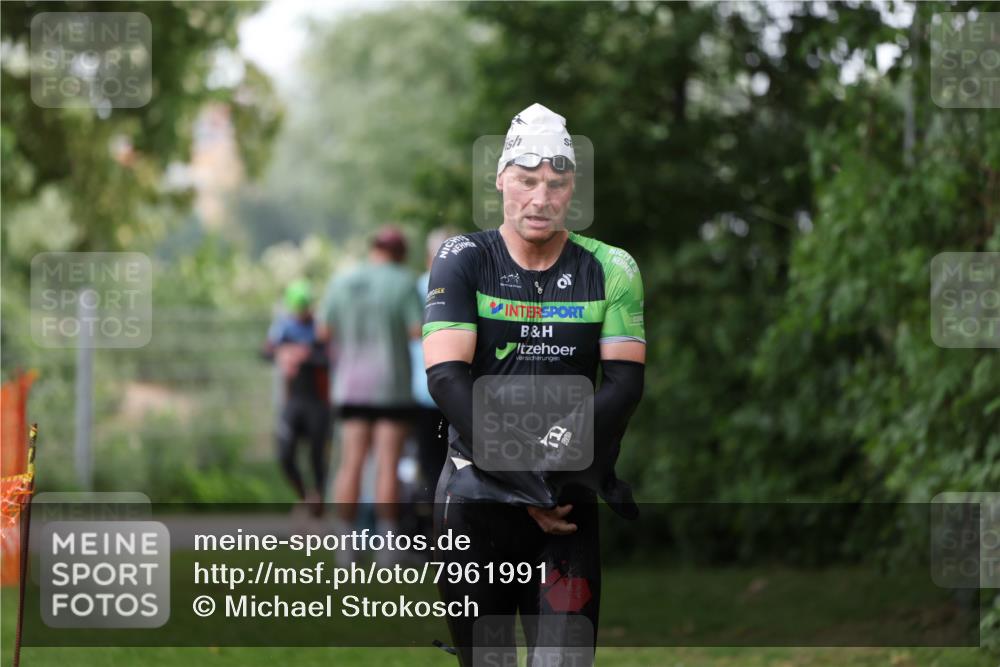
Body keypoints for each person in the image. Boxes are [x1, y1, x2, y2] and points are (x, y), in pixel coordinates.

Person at [423, 103, 646, 665]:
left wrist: (550, 483)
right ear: (501, 179)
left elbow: (623, 386)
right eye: (527, 180)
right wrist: (529, 486)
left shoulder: (612, 268)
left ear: (573, 190)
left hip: (565, 507)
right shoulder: (462, 259)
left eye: (556, 183)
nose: (540, 198)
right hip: (476, 503)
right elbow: (447, 380)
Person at [318, 226, 424, 561]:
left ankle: (345, 546)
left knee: (350, 463)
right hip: (391, 387)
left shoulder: (341, 281)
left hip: (350, 387)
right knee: (387, 464)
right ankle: (387, 546)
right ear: (401, 253)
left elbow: (324, 331)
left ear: (372, 248)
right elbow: (416, 331)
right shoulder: (404, 282)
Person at [262, 280, 331, 517]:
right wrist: (283, 354)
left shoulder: (320, 327)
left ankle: (318, 501)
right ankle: (304, 497)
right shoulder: (283, 327)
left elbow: (331, 356)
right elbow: (266, 352)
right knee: (285, 453)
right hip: (291, 400)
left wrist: (304, 355)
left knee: (317, 456)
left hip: (318, 400)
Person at [410, 229, 454, 501]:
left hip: (423, 389)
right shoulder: (470, 283)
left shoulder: (417, 287)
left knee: (429, 462)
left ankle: (430, 516)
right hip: (458, 389)